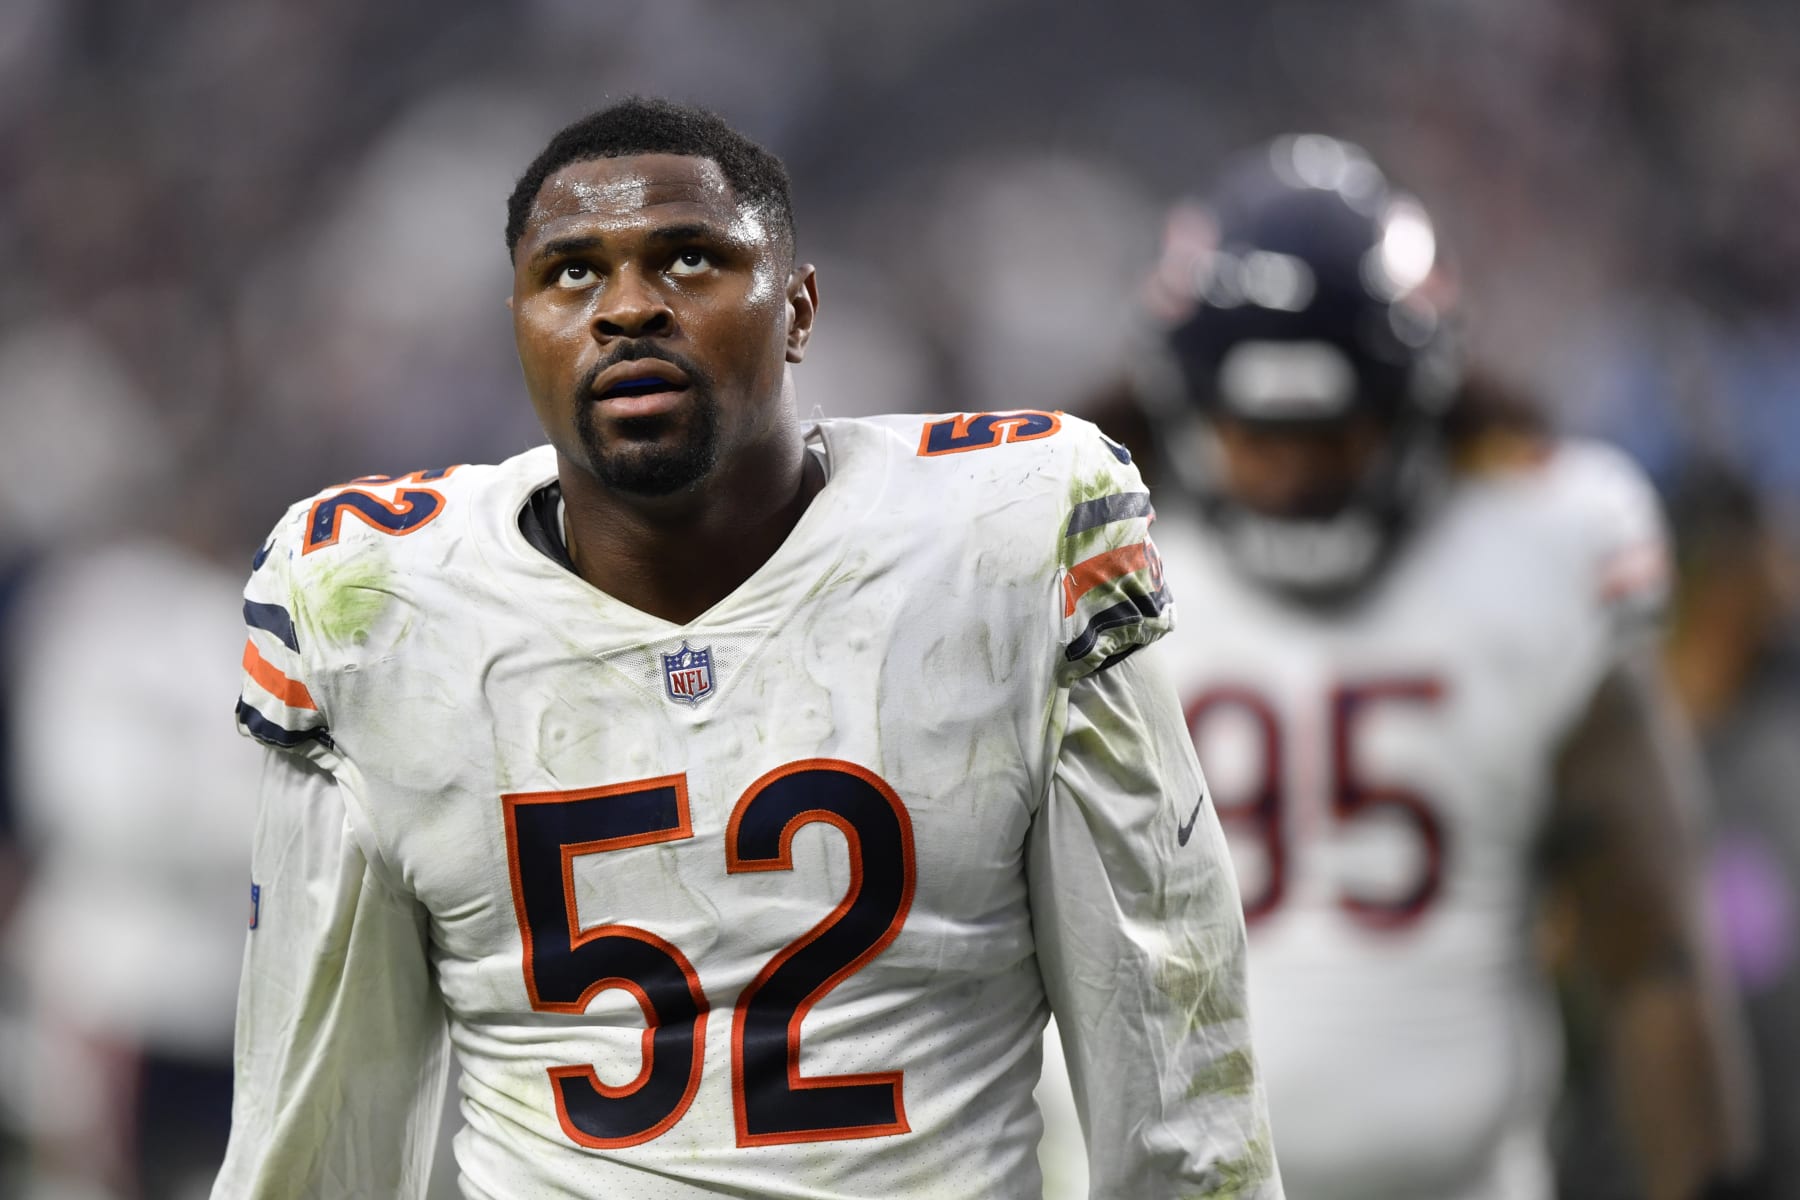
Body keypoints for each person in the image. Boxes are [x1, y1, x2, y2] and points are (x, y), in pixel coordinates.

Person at [210, 97, 1281, 1199]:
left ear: (800, 311)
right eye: (571, 273)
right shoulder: (373, 602)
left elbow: (1171, 1063)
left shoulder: (1008, 537)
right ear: (520, 326)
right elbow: (311, 1142)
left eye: (688, 259)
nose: (628, 308)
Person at [1077, 135, 1749, 1200]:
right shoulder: (1075, 561)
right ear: (1187, 405)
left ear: (1416, 399)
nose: (1296, 474)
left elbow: (1654, 949)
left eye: (1332, 433)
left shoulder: (1543, 544)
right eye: (1264, 434)